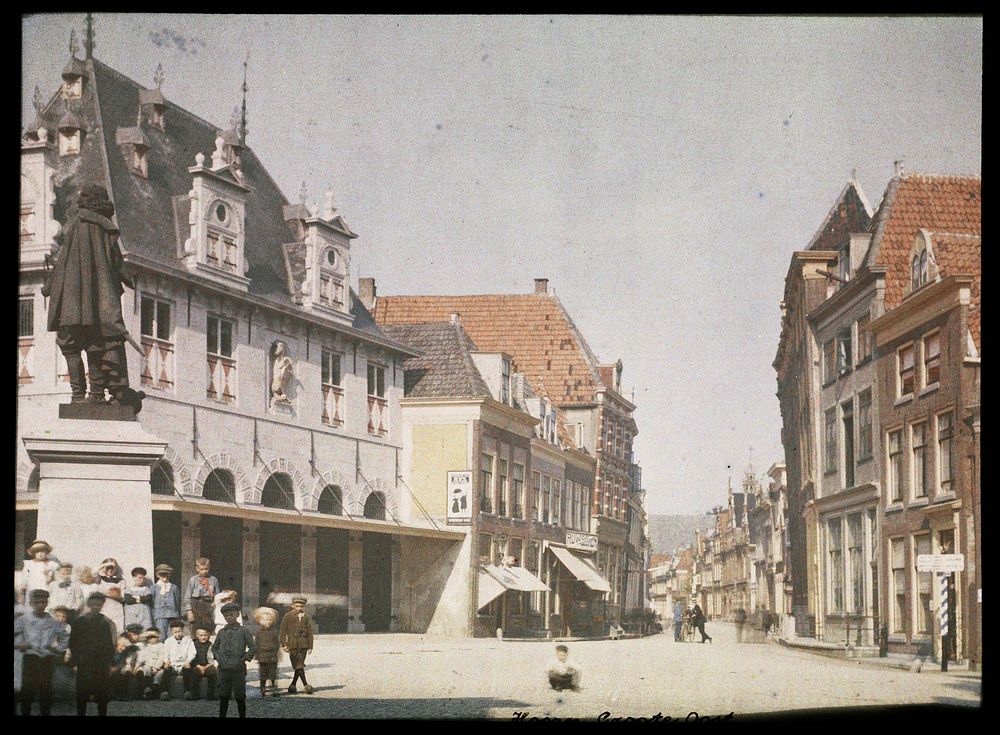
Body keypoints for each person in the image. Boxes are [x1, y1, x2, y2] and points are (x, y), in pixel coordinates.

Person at [41, 182, 143, 409]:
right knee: (97, 345)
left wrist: (48, 287)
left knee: (69, 345)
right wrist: (129, 278)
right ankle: (96, 395)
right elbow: (116, 262)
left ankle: (78, 395)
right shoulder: (106, 227)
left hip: (71, 302)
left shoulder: (73, 225)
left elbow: (61, 262)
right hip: (98, 302)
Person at [14, 588, 69, 716]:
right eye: (37, 602)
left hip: (46, 659)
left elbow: (65, 637)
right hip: (30, 658)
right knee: (27, 691)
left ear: (46, 603)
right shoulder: (24, 620)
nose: (40, 605)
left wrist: (57, 649)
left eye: (43, 602)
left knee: (45, 690)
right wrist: (19, 644)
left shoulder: (53, 621)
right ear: (31, 603)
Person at [70, 591, 116, 716]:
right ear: (89, 604)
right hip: (84, 662)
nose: (96, 606)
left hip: (101, 663)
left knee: (102, 692)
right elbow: (73, 643)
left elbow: (110, 644)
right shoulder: (80, 622)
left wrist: (111, 663)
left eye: (99, 604)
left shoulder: (106, 622)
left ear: (102, 605)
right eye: (94, 604)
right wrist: (74, 662)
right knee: (82, 691)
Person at [212, 602, 256, 718]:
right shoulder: (221, 632)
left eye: (231, 615)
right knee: (223, 695)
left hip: (238, 669)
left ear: (237, 615)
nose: (228, 618)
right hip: (224, 669)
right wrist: (219, 658)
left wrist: (244, 659)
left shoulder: (244, 631)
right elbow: (214, 648)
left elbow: (253, 647)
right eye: (226, 616)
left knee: (240, 695)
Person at [279, 595, 314, 694]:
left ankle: (293, 685)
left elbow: (310, 632)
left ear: (304, 607)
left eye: (301, 606)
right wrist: (284, 644)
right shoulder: (287, 616)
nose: (299, 608)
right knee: (298, 665)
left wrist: (310, 646)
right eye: (297, 606)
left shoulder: (306, 617)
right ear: (292, 606)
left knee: (299, 665)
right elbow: (282, 631)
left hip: (303, 645)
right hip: (292, 644)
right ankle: (305, 685)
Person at [184, 558, 220, 635]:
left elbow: (217, 595)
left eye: (206, 569)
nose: (204, 571)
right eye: (201, 569)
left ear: (209, 567)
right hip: (196, 605)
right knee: (196, 628)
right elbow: (188, 596)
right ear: (197, 568)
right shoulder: (193, 580)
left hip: (208, 605)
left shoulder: (214, 580)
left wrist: (214, 604)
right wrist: (189, 611)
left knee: (209, 628)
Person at [161, 619, 195, 700]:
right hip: (172, 664)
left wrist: (188, 661)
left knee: (188, 672)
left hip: (184, 663)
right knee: (166, 671)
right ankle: (164, 692)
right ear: (172, 632)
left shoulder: (188, 640)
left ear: (182, 630)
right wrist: (166, 661)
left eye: (179, 631)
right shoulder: (168, 641)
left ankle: (187, 691)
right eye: (175, 632)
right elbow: (165, 653)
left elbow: (192, 652)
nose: (178, 634)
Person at [253, 607, 280, 698]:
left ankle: (273, 687)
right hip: (262, 656)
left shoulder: (274, 632)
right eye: (264, 620)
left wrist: (275, 652)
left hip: (272, 655)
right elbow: (256, 644)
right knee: (263, 672)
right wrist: (256, 655)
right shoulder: (259, 632)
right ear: (259, 621)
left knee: (273, 672)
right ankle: (262, 687)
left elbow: (277, 643)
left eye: (269, 620)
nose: (267, 622)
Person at [134, 627, 168, 700]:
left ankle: (151, 690)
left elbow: (161, 657)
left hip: (158, 666)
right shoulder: (145, 645)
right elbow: (145, 657)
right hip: (148, 665)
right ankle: (147, 687)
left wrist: (156, 667)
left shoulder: (161, 645)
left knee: (159, 675)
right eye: (149, 637)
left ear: (158, 636)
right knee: (146, 669)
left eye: (154, 637)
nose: (152, 639)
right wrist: (148, 634)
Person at [95, 558, 126, 636]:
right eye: (108, 567)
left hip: (116, 610)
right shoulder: (99, 579)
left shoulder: (121, 581)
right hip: (104, 609)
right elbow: (93, 573)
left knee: (117, 632)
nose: (110, 570)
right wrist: (104, 565)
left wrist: (107, 594)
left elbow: (122, 597)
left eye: (112, 568)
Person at [152, 564, 182, 640]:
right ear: (157, 575)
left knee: (172, 634)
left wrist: (177, 614)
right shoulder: (154, 587)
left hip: (173, 614)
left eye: (167, 576)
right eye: (162, 576)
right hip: (160, 614)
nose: (165, 578)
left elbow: (177, 601)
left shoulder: (174, 587)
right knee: (161, 634)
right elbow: (152, 601)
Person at [189, 627, 218, 701]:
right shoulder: (194, 644)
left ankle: (210, 693)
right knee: (194, 673)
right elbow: (191, 656)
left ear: (209, 635)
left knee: (212, 673)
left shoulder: (211, 645)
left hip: (208, 665)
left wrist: (208, 665)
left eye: (205, 635)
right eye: (201, 635)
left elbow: (213, 657)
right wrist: (198, 666)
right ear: (197, 636)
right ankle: (195, 694)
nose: (203, 637)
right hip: (197, 665)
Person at [123, 567, 154, 631]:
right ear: (134, 577)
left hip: (144, 615)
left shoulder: (146, 589)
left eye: (143, 578)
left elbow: (147, 598)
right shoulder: (129, 589)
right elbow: (128, 600)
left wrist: (136, 597)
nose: (142, 580)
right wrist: (141, 599)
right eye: (140, 578)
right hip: (131, 615)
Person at [109, 634, 138, 701]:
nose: (123, 648)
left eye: (125, 646)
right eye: (121, 646)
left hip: (121, 669)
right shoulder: (112, 651)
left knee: (124, 673)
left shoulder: (128, 652)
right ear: (117, 644)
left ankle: (121, 694)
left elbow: (128, 662)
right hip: (111, 669)